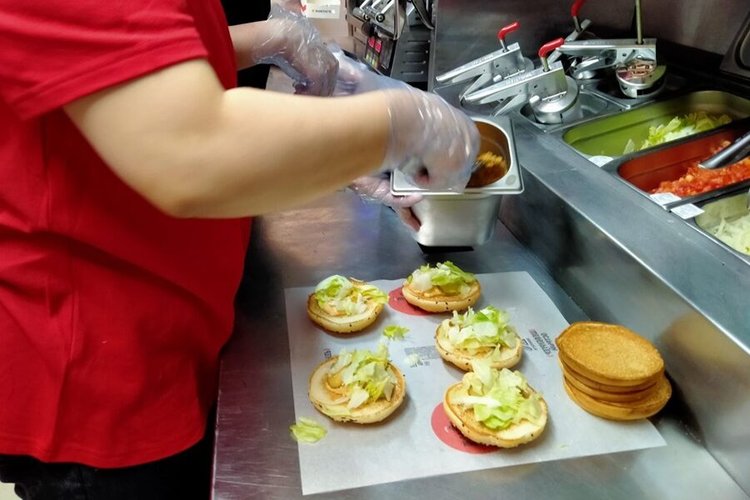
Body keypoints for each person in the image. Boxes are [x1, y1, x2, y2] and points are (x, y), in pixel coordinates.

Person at [0, 0, 479, 498]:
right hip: (99, 375)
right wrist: (400, 124)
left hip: (164, 326)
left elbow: (132, 66)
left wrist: (265, 42)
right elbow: (191, 153)